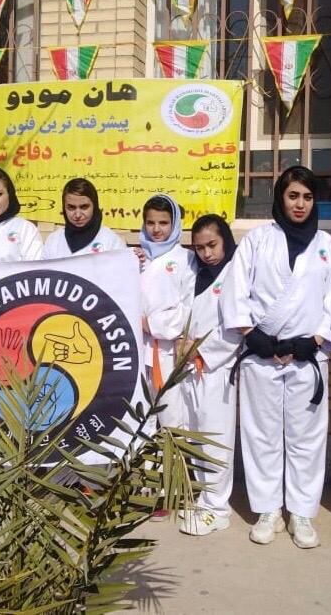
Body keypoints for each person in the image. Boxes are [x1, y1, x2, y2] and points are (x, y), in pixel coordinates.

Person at [220, 166, 331, 548]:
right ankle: (268, 509)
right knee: (261, 435)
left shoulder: (326, 246)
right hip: (263, 354)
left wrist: (315, 340)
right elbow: (235, 293)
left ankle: (302, 512)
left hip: (307, 356)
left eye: (307, 197)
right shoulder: (258, 240)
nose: (300, 204)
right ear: (280, 198)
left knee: (307, 438)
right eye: (293, 196)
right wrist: (253, 337)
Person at [178, 214, 241, 537]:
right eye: (199, 247)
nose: (207, 253)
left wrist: (200, 350)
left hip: (216, 368)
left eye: (212, 245)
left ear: (226, 240)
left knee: (215, 439)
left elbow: (236, 328)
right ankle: (204, 499)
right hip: (190, 367)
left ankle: (218, 508)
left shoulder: (235, 274)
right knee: (196, 435)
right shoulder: (195, 273)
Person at [136, 194, 193, 520]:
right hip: (139, 349)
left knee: (172, 420)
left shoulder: (186, 260)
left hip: (169, 351)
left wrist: (154, 324)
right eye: (151, 223)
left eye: (164, 223)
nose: (157, 229)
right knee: (142, 420)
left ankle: (173, 490)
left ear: (175, 224)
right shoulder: (136, 258)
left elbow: (187, 307)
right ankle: (145, 490)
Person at [42, 178, 125, 259]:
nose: (77, 215)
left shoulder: (111, 241)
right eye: (71, 207)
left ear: (94, 206)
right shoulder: (54, 240)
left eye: (84, 207)